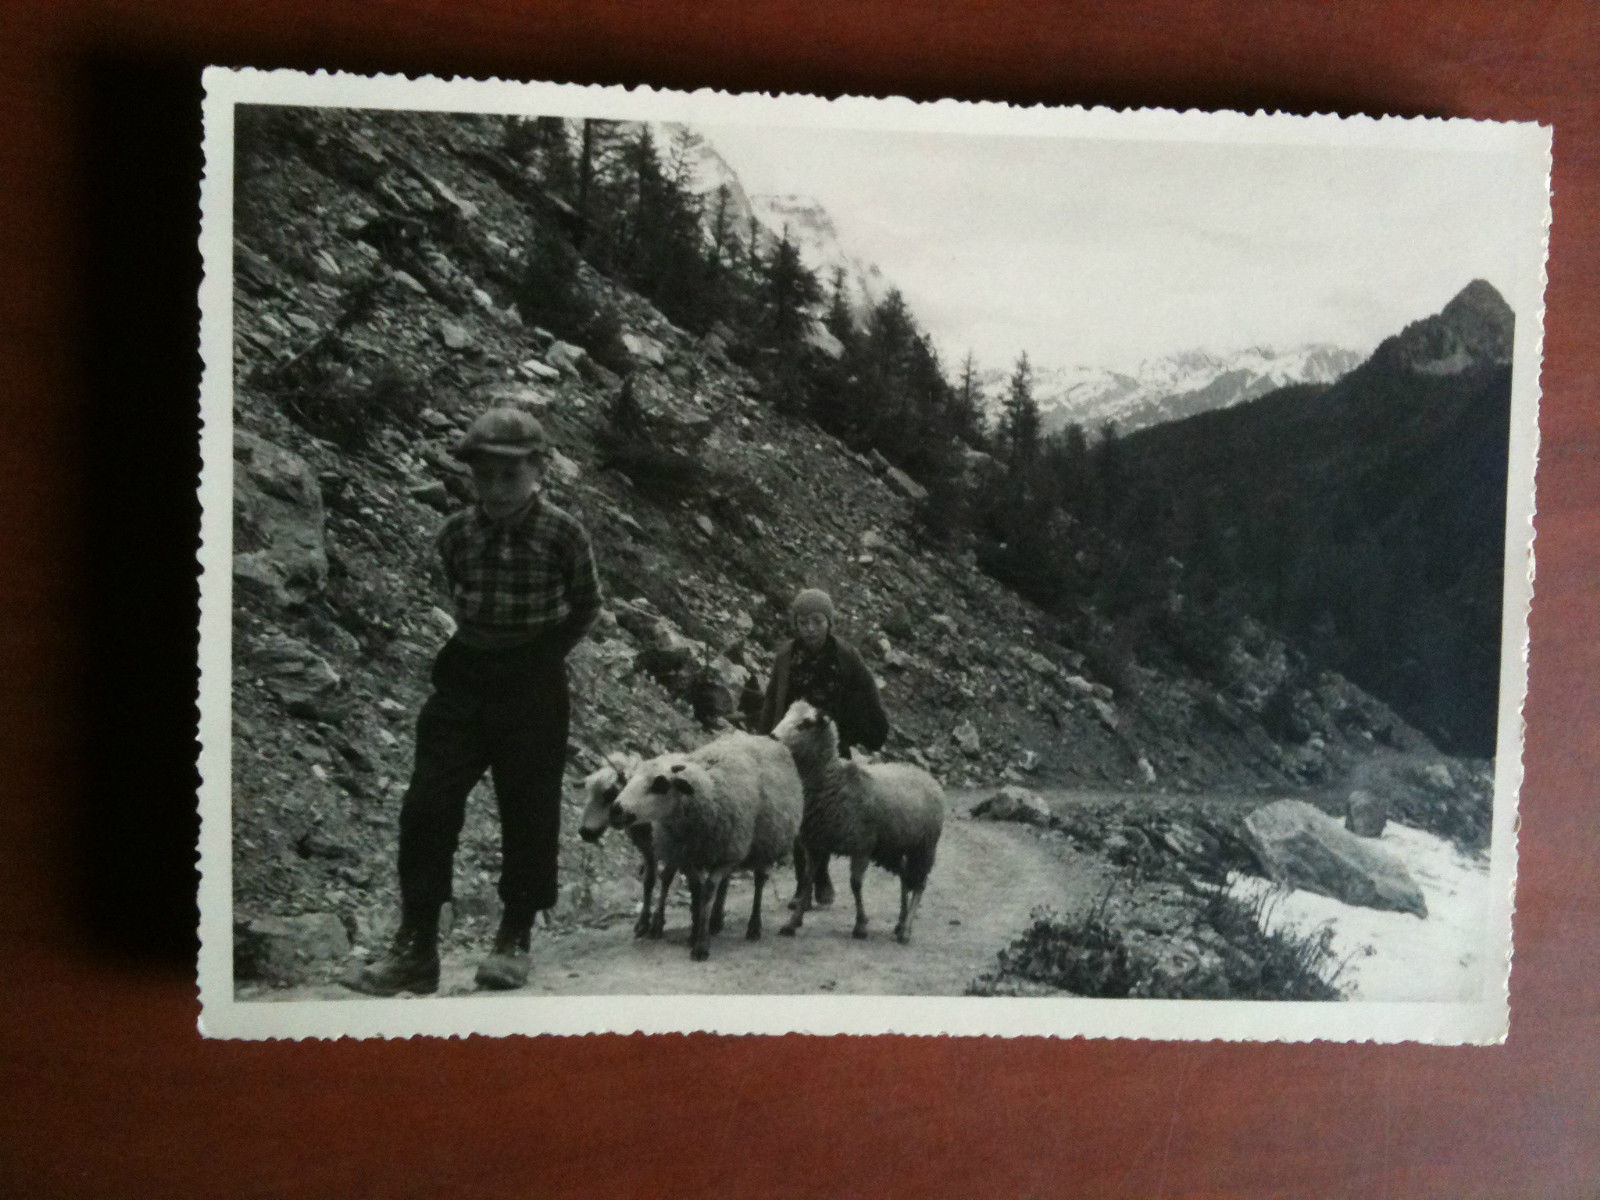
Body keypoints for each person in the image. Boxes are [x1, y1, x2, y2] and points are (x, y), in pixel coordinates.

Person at [349, 407, 601, 995]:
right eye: (484, 475)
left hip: (534, 680)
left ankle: (514, 935)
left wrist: (543, 654)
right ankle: (416, 945)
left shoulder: (564, 533)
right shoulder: (456, 532)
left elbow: (587, 605)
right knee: (427, 803)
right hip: (465, 676)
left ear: (539, 470)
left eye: (510, 475)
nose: (495, 488)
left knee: (529, 807)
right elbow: (454, 590)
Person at [758, 588, 889, 906]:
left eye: (817, 621)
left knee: (826, 814)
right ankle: (806, 881)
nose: (810, 629)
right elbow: (774, 698)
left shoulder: (845, 656)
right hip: (795, 748)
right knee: (800, 816)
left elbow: (867, 694)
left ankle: (821, 874)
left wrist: (873, 729)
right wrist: (763, 738)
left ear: (829, 622)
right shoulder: (787, 657)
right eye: (803, 622)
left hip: (831, 747)